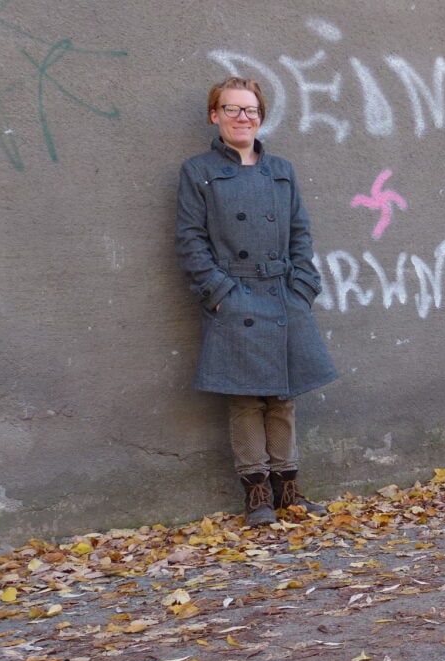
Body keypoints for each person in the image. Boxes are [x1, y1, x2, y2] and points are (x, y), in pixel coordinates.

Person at [175, 76, 338, 526]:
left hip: (283, 293)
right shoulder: (198, 171)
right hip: (236, 295)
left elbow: (301, 233)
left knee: (283, 398)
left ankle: (289, 492)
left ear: (260, 117)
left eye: (250, 110)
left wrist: (303, 288)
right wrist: (222, 295)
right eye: (232, 109)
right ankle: (257, 498)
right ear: (215, 115)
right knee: (245, 401)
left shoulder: (281, 169)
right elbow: (190, 241)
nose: (242, 117)